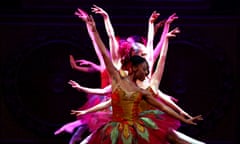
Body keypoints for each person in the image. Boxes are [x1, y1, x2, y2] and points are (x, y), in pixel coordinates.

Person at [72, 6, 205, 144]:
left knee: (172, 137)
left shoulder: (147, 79)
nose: (145, 58)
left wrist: (183, 115)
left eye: (145, 56)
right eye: (141, 56)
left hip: (143, 120)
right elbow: (107, 45)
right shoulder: (120, 74)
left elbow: (156, 50)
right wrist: (101, 22)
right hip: (120, 121)